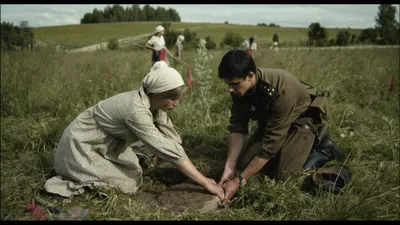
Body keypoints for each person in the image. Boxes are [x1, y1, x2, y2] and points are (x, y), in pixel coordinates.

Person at [44, 67, 225, 202]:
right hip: (81, 145)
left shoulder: (154, 104)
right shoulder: (135, 110)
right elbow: (163, 147)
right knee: (129, 184)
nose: (176, 103)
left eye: (179, 99)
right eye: (172, 98)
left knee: (134, 171)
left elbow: (171, 139)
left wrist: (186, 163)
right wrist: (205, 182)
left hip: (107, 145)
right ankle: (74, 172)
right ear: (157, 94)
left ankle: (121, 162)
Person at [216, 50, 343, 205]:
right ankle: (288, 150)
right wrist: (229, 168)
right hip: (272, 122)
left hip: (300, 120)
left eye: (234, 84)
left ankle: (322, 148)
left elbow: (269, 147)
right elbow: (237, 128)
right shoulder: (238, 88)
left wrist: (239, 181)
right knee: (243, 163)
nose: (230, 89)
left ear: (250, 76)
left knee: (285, 176)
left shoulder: (280, 90)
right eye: (228, 83)